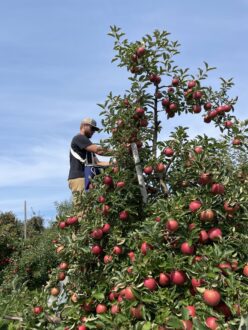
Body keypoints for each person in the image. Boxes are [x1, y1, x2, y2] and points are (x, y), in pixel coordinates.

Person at [68, 118, 111, 204]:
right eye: (92, 128)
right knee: (82, 210)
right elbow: (99, 150)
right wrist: (119, 152)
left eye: (94, 130)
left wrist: (113, 163)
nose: (93, 131)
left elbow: (98, 163)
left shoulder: (87, 145)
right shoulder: (79, 138)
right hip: (79, 178)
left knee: (88, 208)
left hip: (86, 178)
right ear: (84, 126)